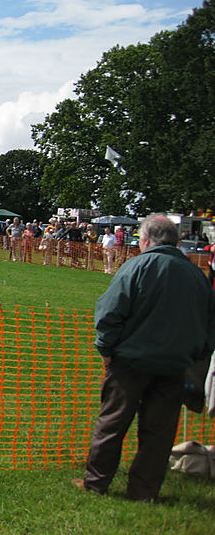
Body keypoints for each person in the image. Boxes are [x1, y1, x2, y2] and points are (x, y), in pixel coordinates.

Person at [75, 215, 215, 501]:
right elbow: (209, 325)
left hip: (130, 362)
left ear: (147, 239)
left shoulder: (137, 265)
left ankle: (96, 483)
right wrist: (195, 356)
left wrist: (107, 350)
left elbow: (110, 313)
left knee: (112, 424)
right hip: (174, 366)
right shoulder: (195, 276)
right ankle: (144, 491)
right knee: (159, 433)